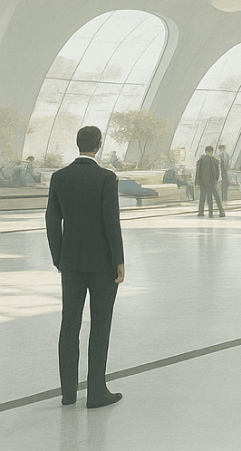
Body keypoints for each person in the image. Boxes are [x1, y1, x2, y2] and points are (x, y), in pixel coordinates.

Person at [45, 125, 124, 408]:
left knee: (70, 325)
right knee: (100, 325)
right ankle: (96, 392)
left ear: (77, 144)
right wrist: (119, 260)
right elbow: (110, 222)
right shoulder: (106, 177)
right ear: (98, 145)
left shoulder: (59, 177)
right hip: (102, 263)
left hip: (71, 263)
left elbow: (52, 220)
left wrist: (59, 258)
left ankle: (68, 393)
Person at [196, 145, 225, 218]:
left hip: (203, 182)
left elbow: (198, 172)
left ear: (205, 152)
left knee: (202, 197)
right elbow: (217, 172)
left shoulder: (200, 160)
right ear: (211, 152)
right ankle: (219, 212)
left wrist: (198, 182)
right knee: (216, 197)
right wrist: (215, 180)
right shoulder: (214, 160)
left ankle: (201, 212)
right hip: (212, 182)